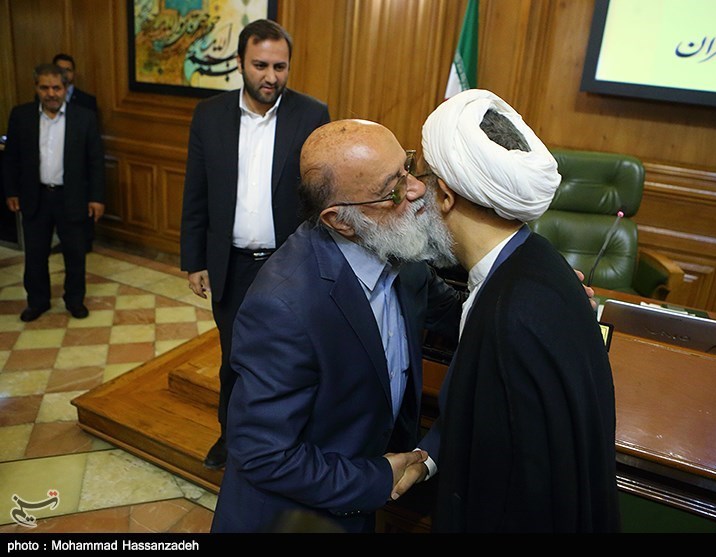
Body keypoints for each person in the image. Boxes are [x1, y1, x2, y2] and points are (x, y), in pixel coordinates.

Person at [210, 119, 463, 533]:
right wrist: (376, 479)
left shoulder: (399, 250)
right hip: (294, 519)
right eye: (393, 189)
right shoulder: (283, 308)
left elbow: (455, 313)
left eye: (408, 168)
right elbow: (264, 455)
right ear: (340, 220)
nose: (417, 190)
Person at [396, 89, 620, 532]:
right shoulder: (535, 260)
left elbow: (520, 488)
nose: (413, 188)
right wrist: (427, 459)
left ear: (445, 196)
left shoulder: (510, 315)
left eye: (420, 173)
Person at [180, 19, 330, 471]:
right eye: (260, 65)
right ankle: (231, 437)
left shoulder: (312, 114)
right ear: (240, 63)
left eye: (280, 67)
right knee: (234, 358)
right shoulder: (209, 115)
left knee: (290, 358)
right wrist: (194, 260)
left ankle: (286, 440)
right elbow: (196, 191)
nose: (270, 76)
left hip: (290, 265)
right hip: (231, 264)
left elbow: (321, 196)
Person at [3, 63, 105, 322]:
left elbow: (95, 161)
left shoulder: (84, 118)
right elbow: (11, 158)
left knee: (75, 255)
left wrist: (96, 198)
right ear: (36, 88)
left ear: (65, 88)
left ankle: (74, 301)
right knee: (35, 255)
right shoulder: (21, 116)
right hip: (35, 197)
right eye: (44, 88)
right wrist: (11, 191)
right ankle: (37, 302)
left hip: (71, 198)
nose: (51, 94)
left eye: (56, 88)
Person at [52, 53, 98, 253]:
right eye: (59, 69)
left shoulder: (86, 101)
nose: (64, 74)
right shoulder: (43, 100)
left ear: (74, 73)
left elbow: (93, 145)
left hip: (79, 170)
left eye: (68, 70)